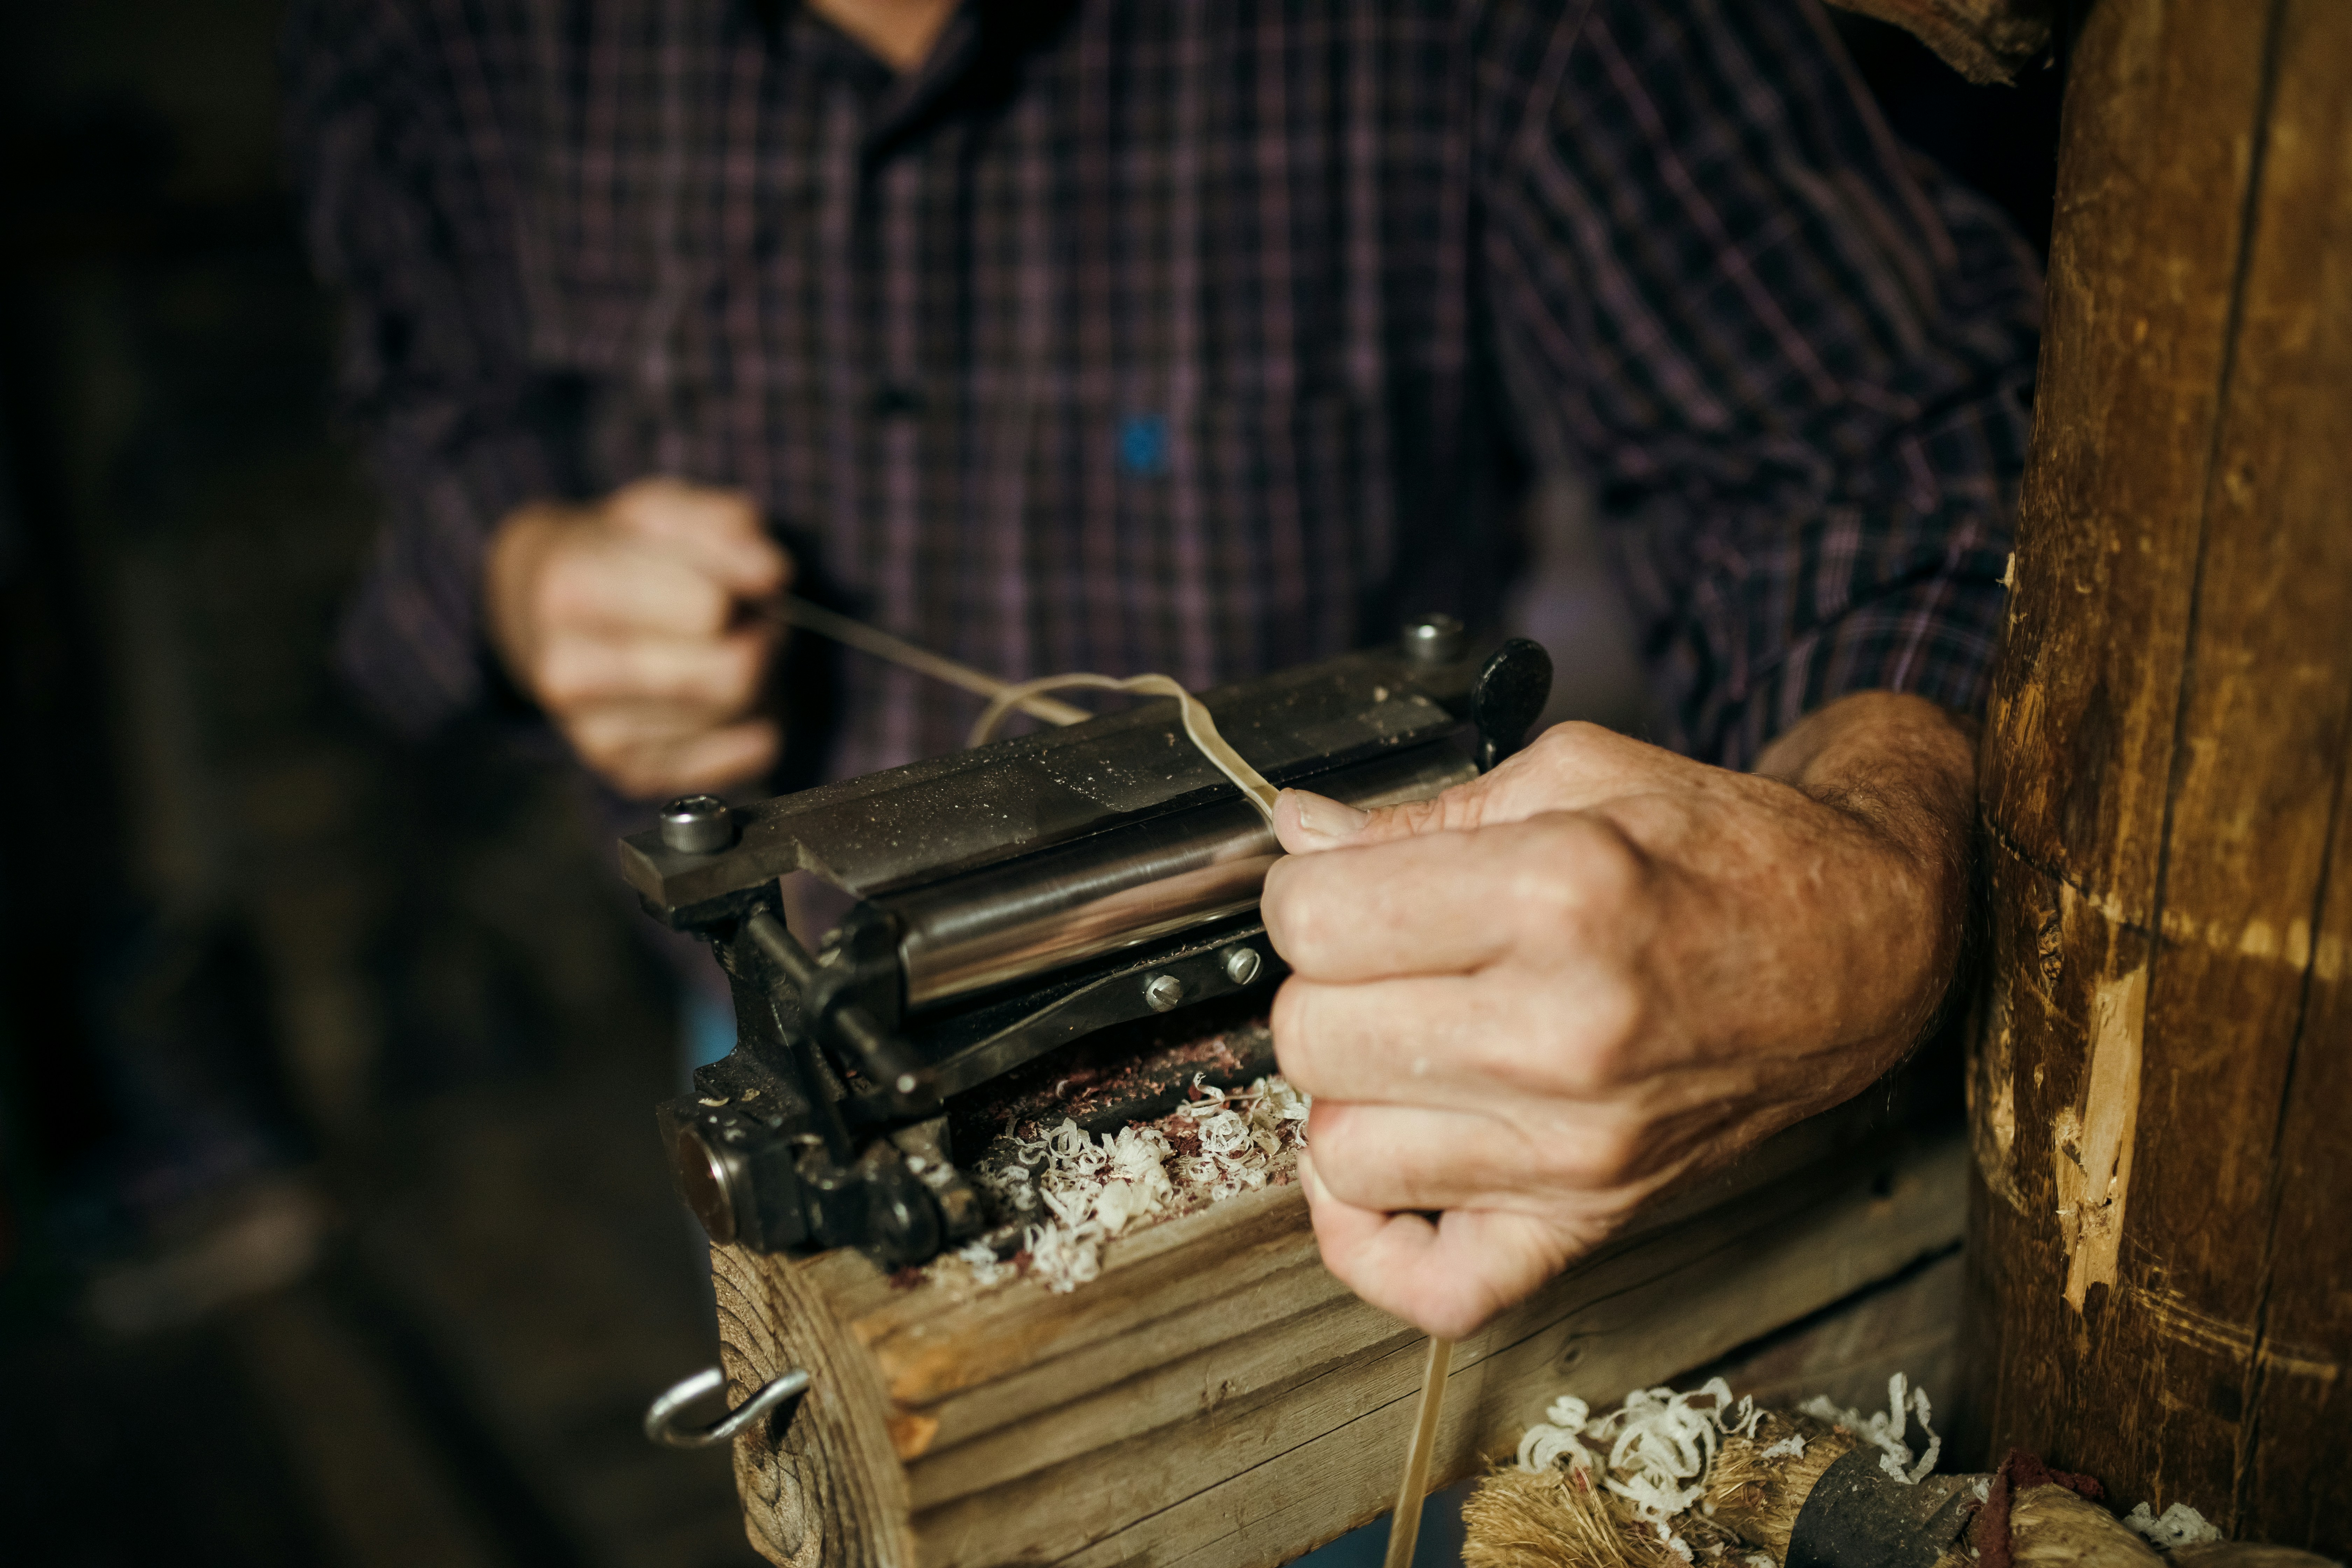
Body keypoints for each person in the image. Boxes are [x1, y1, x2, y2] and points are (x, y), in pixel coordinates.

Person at [286, 0, 2038, 1336]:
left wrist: (1867, 875)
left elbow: (1875, 458)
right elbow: (421, 403)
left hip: (1375, 1089)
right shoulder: (448, 30)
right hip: (814, 1054)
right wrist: (517, 565)